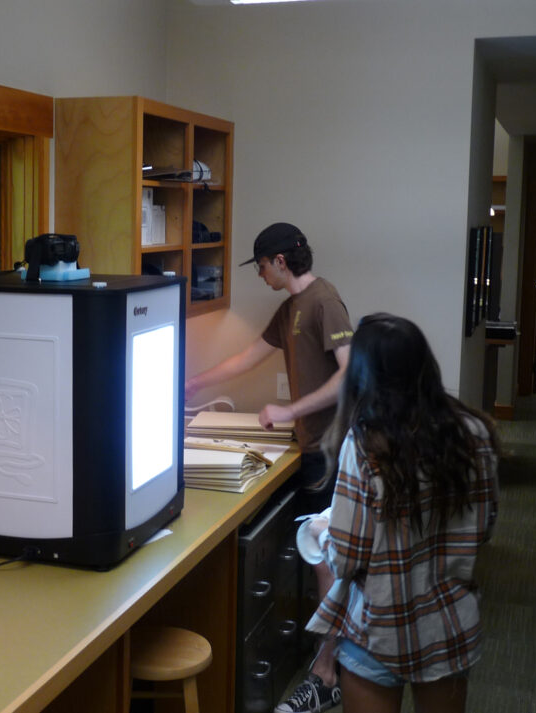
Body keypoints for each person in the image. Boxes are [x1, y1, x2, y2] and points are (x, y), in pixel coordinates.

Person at [183, 221, 353, 710]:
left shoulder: (324, 301)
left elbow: (351, 373)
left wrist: (289, 411)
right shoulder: (289, 310)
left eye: (260, 266)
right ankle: (325, 661)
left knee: (325, 561)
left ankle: (326, 675)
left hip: (331, 450)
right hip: (309, 446)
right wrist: (193, 383)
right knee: (314, 554)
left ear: (280, 261)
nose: (258, 275)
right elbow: (246, 358)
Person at [296, 313, 499, 713]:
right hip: (449, 623)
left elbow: (347, 557)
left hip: (379, 629)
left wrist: (321, 530)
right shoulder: (474, 433)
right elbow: (484, 527)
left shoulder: (366, 446)